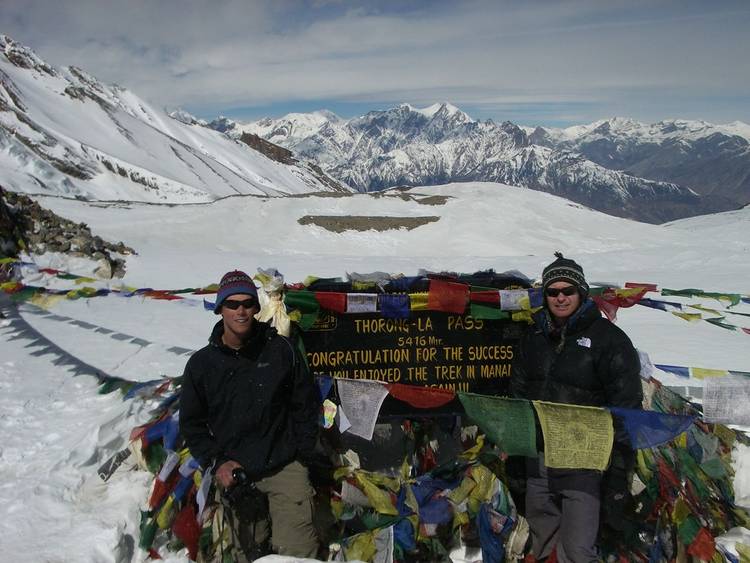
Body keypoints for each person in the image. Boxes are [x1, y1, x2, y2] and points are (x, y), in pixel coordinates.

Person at [180, 270, 321, 560]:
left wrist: (302, 454)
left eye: (247, 303)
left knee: (296, 555)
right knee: (247, 553)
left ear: (257, 307)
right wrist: (217, 461)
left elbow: (305, 404)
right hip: (236, 474)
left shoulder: (280, 350)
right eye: (232, 304)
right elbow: (192, 425)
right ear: (220, 309)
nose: (241, 310)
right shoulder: (201, 365)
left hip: (284, 466)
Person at [511, 253, 642, 563]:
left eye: (567, 291)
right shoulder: (533, 338)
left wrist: (619, 469)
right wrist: (517, 451)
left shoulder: (609, 340)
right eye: (552, 292)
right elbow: (517, 395)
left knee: (578, 550)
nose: (559, 298)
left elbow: (627, 408)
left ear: (581, 292)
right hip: (539, 460)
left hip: (585, 462)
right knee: (543, 543)